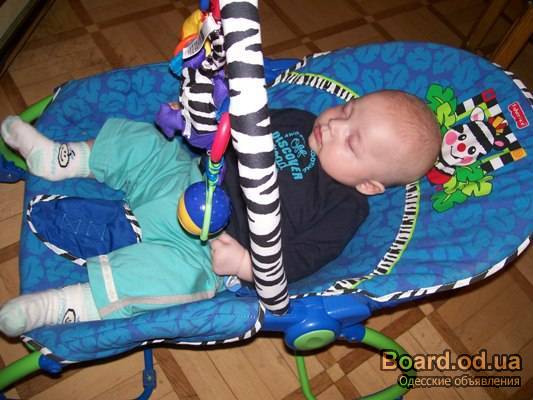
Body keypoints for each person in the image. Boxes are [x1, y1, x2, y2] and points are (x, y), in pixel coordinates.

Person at [0, 89, 441, 337]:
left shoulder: (345, 207)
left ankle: (62, 305)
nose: (334, 125)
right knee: (145, 141)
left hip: (209, 247)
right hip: (184, 175)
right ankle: (60, 159)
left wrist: (246, 265)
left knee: (171, 283)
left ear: (368, 184)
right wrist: (195, 122)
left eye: (352, 141)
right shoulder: (300, 119)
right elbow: (233, 126)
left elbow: (303, 260)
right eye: (346, 110)